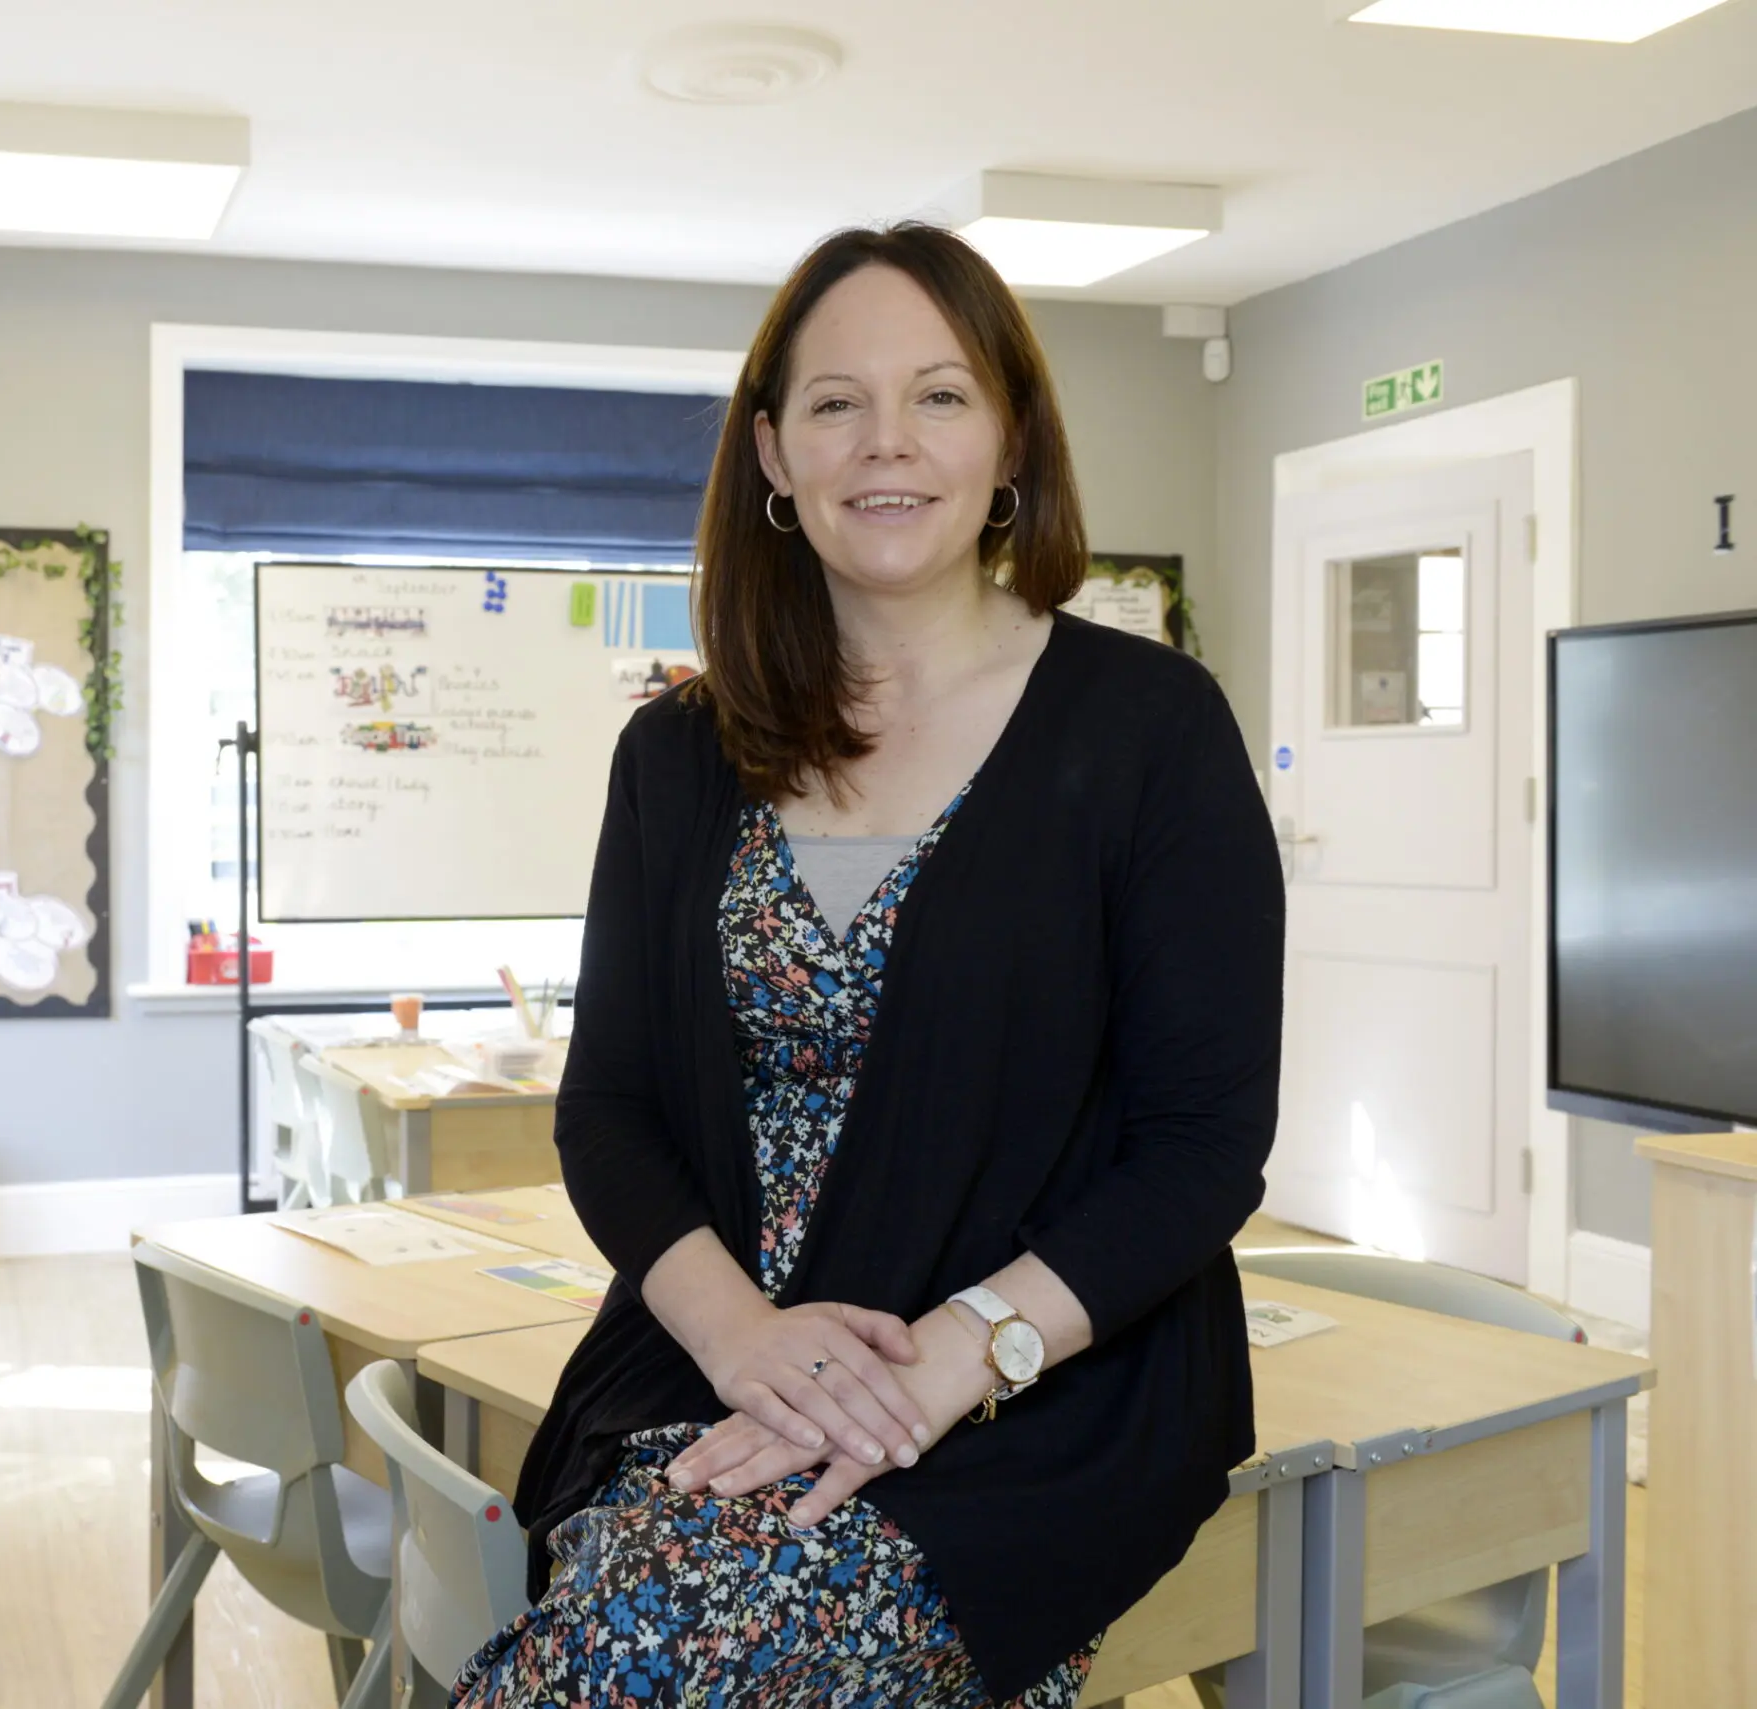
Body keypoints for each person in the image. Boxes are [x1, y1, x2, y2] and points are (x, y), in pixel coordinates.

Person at [455, 223, 1285, 1708]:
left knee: (660, 1643)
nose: (886, 442)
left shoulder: (1150, 729)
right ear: (773, 453)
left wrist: (954, 1357)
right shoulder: (675, 754)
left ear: (1012, 437)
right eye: (836, 403)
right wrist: (744, 1341)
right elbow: (612, 1110)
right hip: (720, 1363)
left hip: (1037, 1385)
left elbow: (1202, 1144)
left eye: (940, 396)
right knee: (641, 1613)